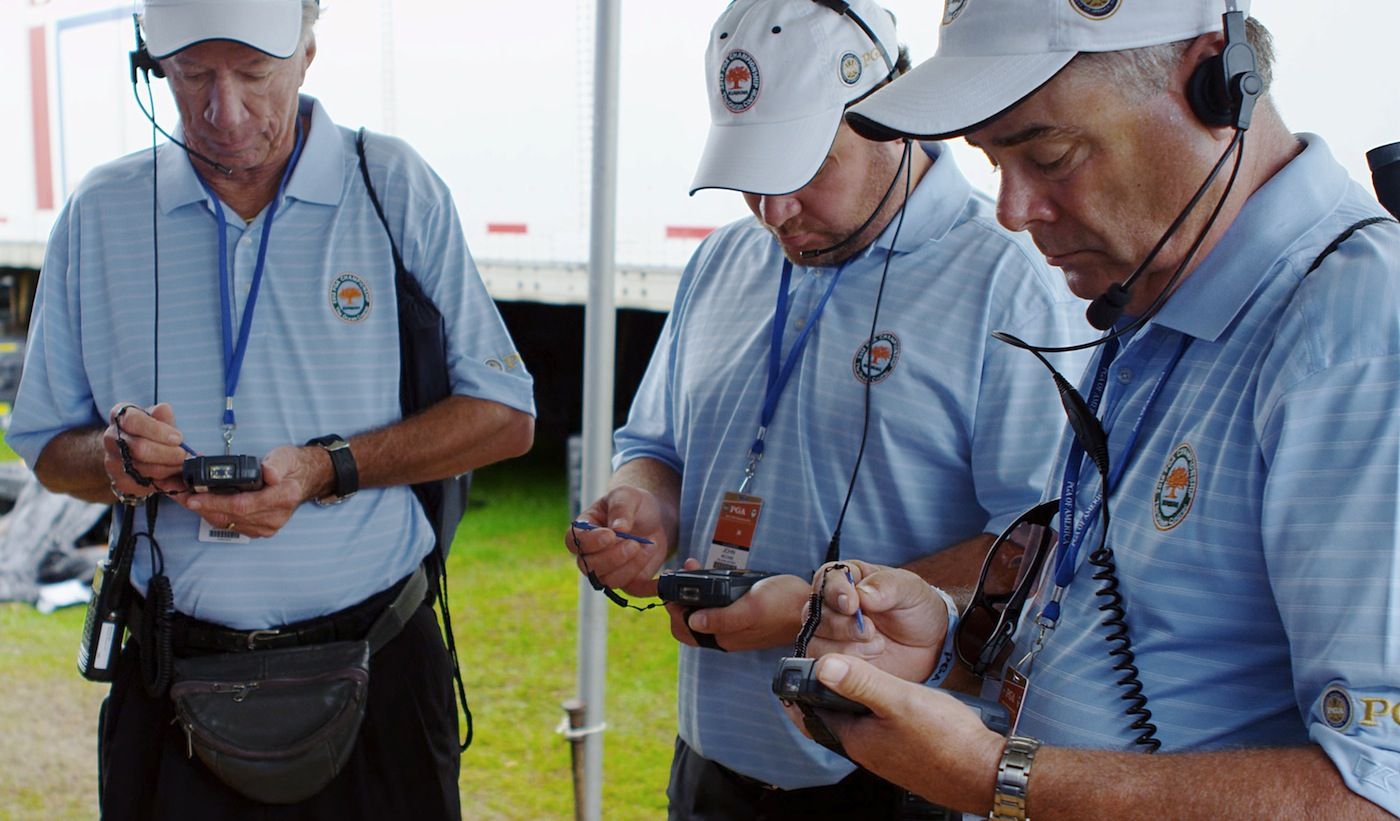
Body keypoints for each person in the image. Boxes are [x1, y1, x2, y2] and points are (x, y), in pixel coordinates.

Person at [789, 0, 1400, 817]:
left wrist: (994, 775)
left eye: (1050, 155)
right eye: (993, 162)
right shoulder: (1155, 285)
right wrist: (949, 642)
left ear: (1219, 83)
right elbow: (1144, 640)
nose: (1013, 210)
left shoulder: (1357, 333)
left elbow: (1378, 789)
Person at [9, 0, 534, 816]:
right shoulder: (101, 213)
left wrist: (326, 468)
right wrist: (114, 460)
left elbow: (505, 413)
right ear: (152, 67)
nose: (224, 112)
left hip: (379, 667)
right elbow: (48, 446)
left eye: (254, 74)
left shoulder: (390, 186)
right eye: (192, 76)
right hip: (172, 678)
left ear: (307, 54)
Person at [563, 0, 1085, 817]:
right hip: (712, 765)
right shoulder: (724, 257)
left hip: (897, 781)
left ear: (892, 114)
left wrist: (811, 607)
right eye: (751, 172)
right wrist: (641, 505)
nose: (772, 211)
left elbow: (1036, 549)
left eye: (801, 165)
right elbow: (653, 445)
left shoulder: (1006, 279)